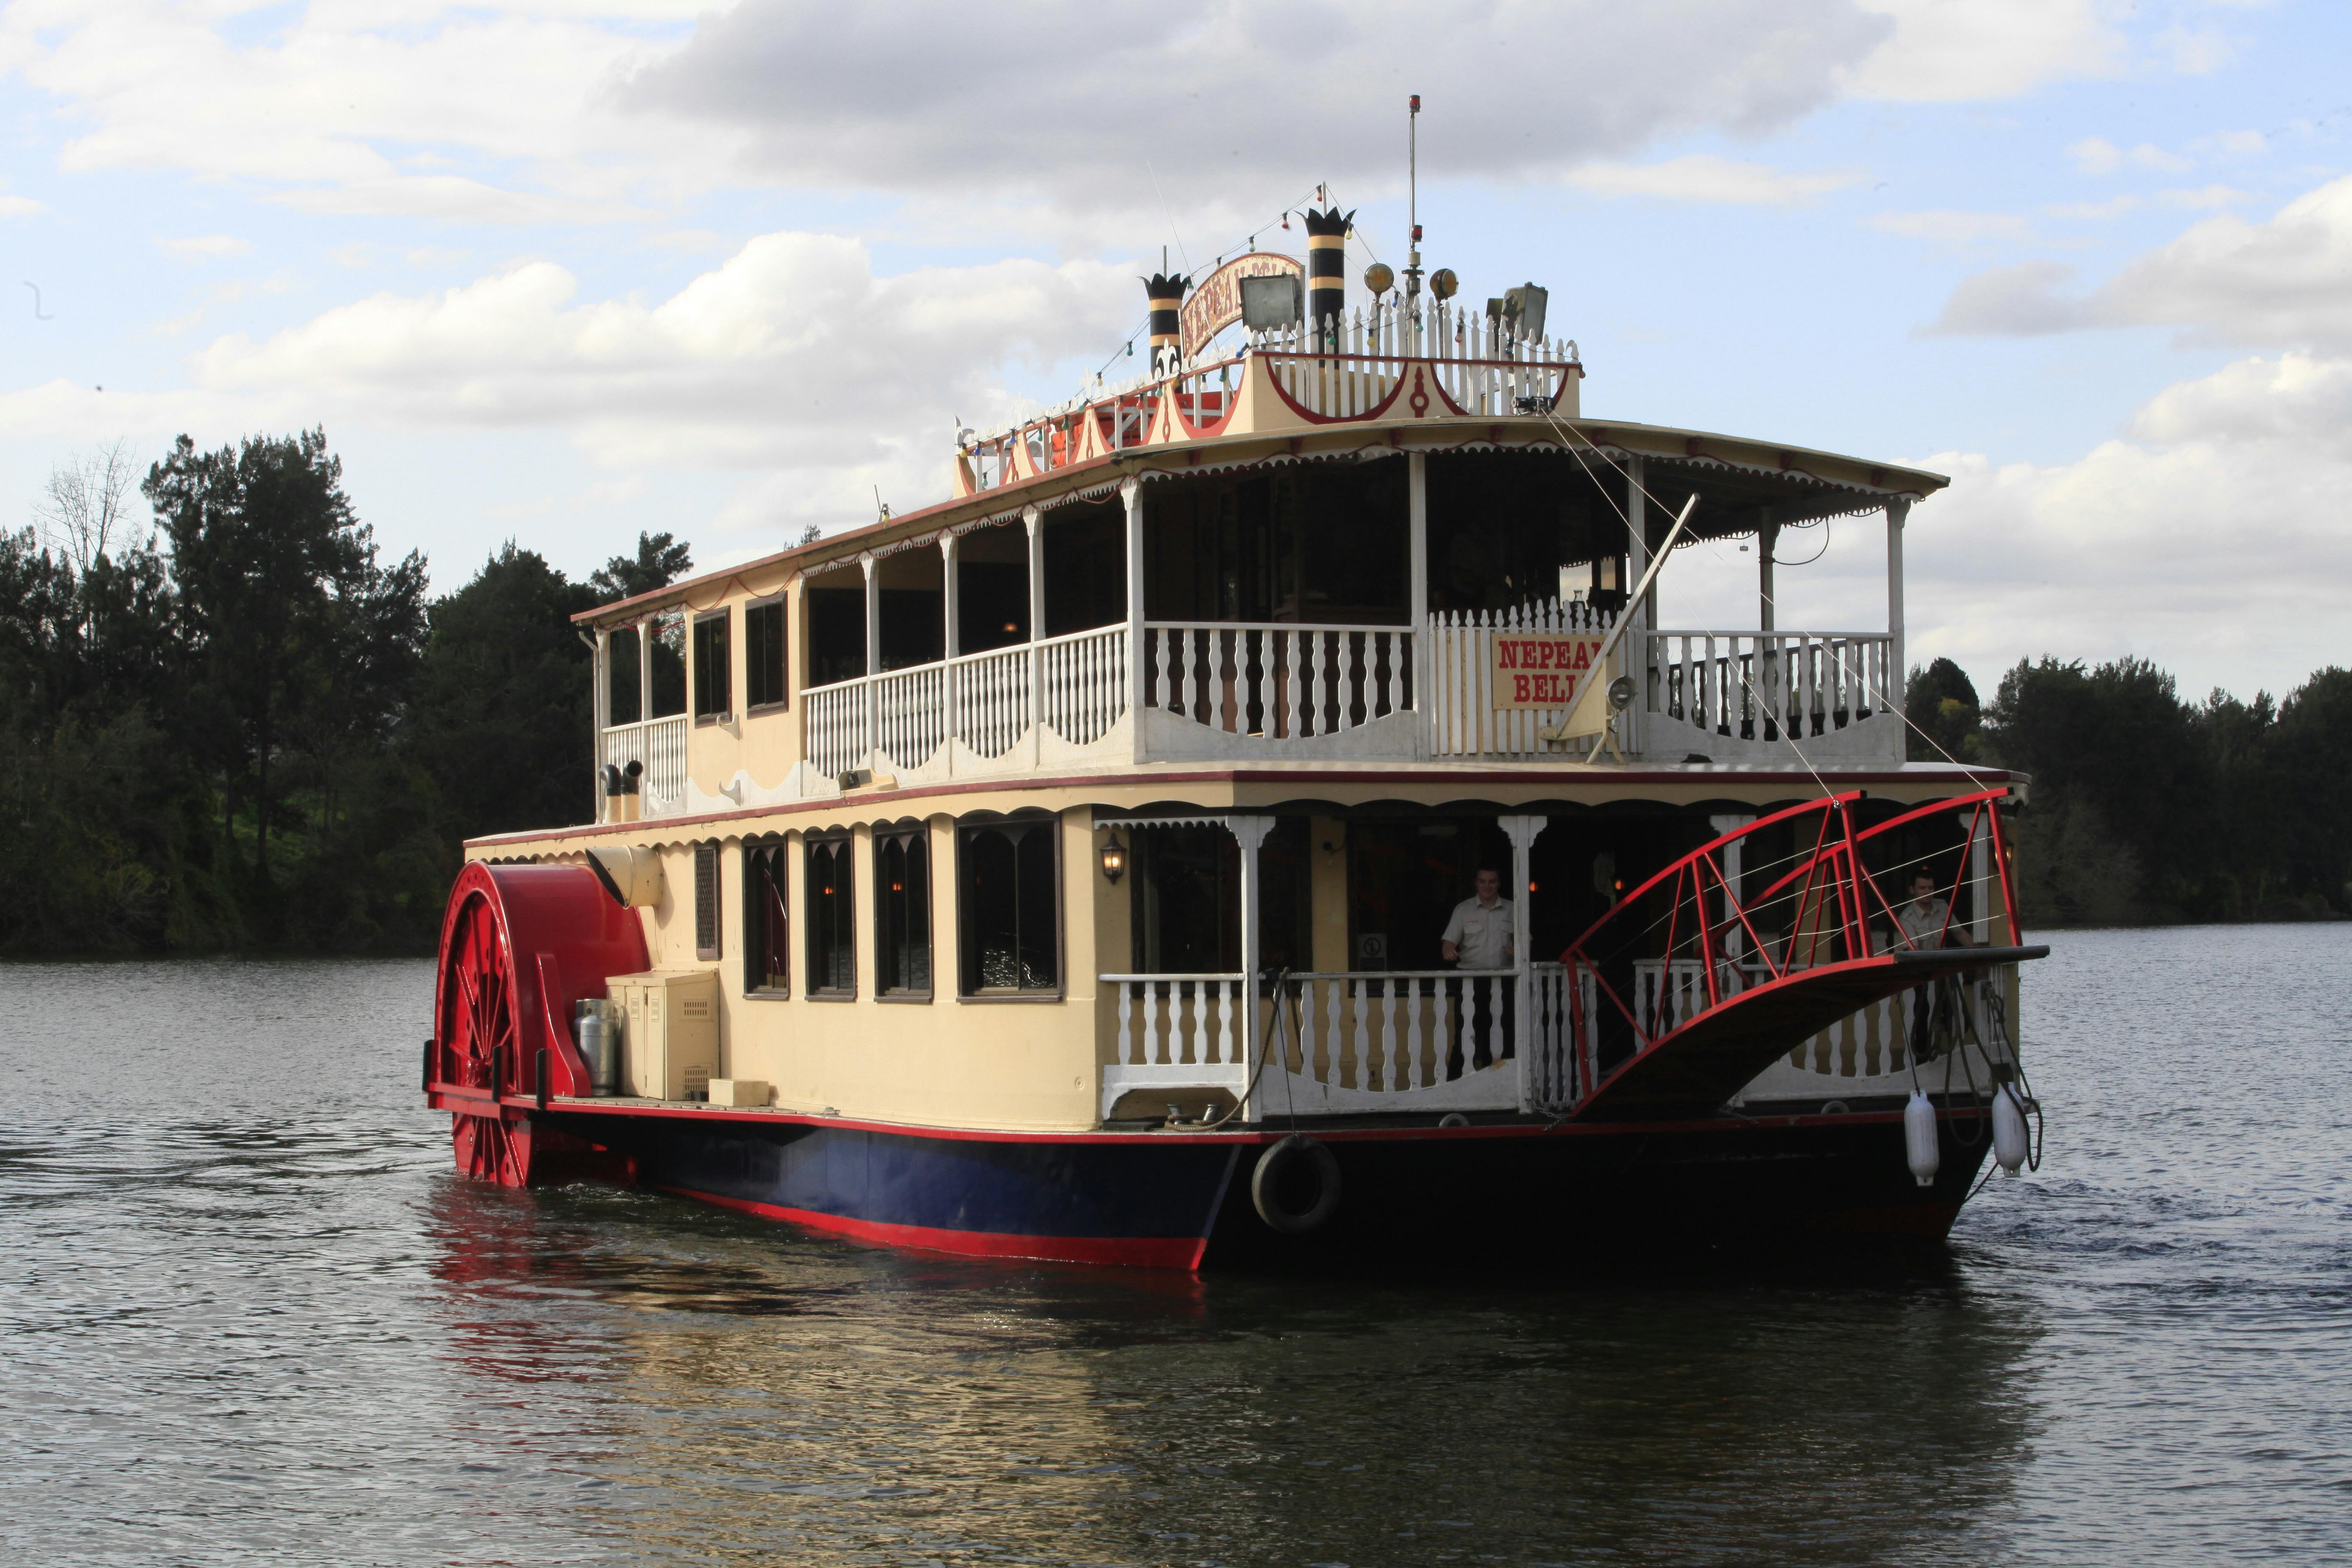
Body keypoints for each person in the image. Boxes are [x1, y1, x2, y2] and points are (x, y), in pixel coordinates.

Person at [1886, 869, 1977, 1059]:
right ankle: (1922, 1053)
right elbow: (1914, 950)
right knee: (1922, 1008)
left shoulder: (1943, 907)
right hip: (1920, 970)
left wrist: (1977, 953)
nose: (1927, 892)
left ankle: (1948, 1033)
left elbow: (1959, 933)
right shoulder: (1907, 918)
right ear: (1913, 890)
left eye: (1931, 888)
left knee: (1950, 1004)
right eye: (1923, 888)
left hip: (1942, 969)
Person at [1441, 868, 1517, 1074]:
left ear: (1499, 883)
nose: (1488, 886)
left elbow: (1525, 942)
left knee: (1504, 1034)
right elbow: (1448, 943)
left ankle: (1502, 1083)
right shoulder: (1464, 910)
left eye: (1492, 882)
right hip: (1470, 982)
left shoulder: (1513, 908)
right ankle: (1456, 1088)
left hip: (1505, 980)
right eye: (1483, 882)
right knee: (1467, 1034)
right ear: (1476, 883)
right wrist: (1449, 951)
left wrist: (1517, 949)